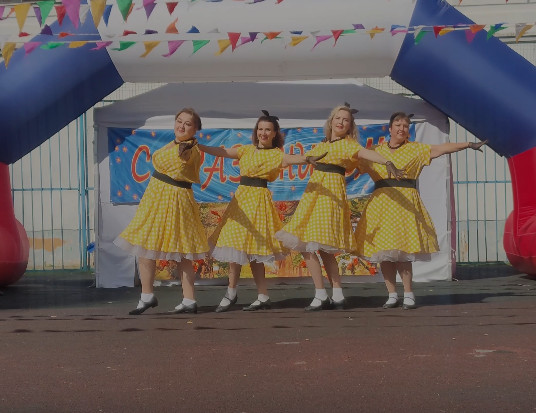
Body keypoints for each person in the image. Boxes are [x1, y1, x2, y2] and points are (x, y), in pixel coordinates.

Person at [275, 104, 404, 311]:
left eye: (346, 120)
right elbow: (293, 159)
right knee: (309, 247)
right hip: (313, 196)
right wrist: (294, 158)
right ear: (331, 121)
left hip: (330, 198)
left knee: (317, 247)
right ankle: (329, 294)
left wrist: (386, 161)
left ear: (350, 126)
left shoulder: (348, 144)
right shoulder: (322, 144)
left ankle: (330, 294)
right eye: (338, 118)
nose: (341, 122)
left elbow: (365, 153)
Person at [354, 111, 487, 310]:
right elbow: (350, 157)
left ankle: (408, 293)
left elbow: (441, 148)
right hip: (381, 206)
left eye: (405, 126)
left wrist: (468, 144)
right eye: (398, 125)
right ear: (390, 129)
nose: (402, 128)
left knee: (403, 253)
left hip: (405, 206)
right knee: (384, 254)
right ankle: (392, 295)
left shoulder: (415, 149)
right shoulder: (374, 152)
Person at [198, 110, 326, 312]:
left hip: (258, 202)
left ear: (274, 133)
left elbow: (291, 159)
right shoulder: (246, 150)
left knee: (255, 250)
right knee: (233, 245)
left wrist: (308, 158)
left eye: (267, 130)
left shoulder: (276, 155)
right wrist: (199, 146)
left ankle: (262, 295)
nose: (263, 133)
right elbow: (222, 152)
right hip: (241, 201)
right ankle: (231, 292)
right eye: (260, 129)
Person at [114, 108, 209, 315]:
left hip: (174, 200)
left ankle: (186, 299)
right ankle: (151, 295)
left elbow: (185, 158)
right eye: (179, 121)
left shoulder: (189, 148)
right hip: (157, 198)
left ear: (195, 129)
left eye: (187, 124)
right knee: (147, 246)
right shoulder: (174, 143)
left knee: (179, 250)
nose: (181, 126)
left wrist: (185, 150)